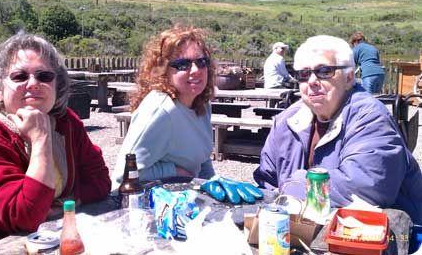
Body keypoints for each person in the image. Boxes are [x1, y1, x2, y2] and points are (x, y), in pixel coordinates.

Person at [0, 32, 112, 254]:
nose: (33, 84)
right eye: (19, 76)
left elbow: (100, 181)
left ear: (57, 84)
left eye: (44, 76)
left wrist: (58, 206)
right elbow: (25, 215)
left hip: (54, 239)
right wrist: (41, 138)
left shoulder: (66, 121)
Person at [253, 35, 422, 225]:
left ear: (349, 77)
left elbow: (368, 188)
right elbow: (266, 182)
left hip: (388, 237)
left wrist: (293, 185)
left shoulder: (371, 118)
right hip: (305, 232)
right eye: (303, 74)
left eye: (324, 71)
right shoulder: (287, 121)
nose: (312, 81)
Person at [112, 25, 216, 190]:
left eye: (201, 62)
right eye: (183, 64)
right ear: (164, 70)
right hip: (150, 204)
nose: (196, 70)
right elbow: (123, 175)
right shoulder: (161, 111)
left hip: (186, 198)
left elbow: (201, 160)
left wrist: (214, 184)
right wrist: (175, 172)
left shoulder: (201, 104)